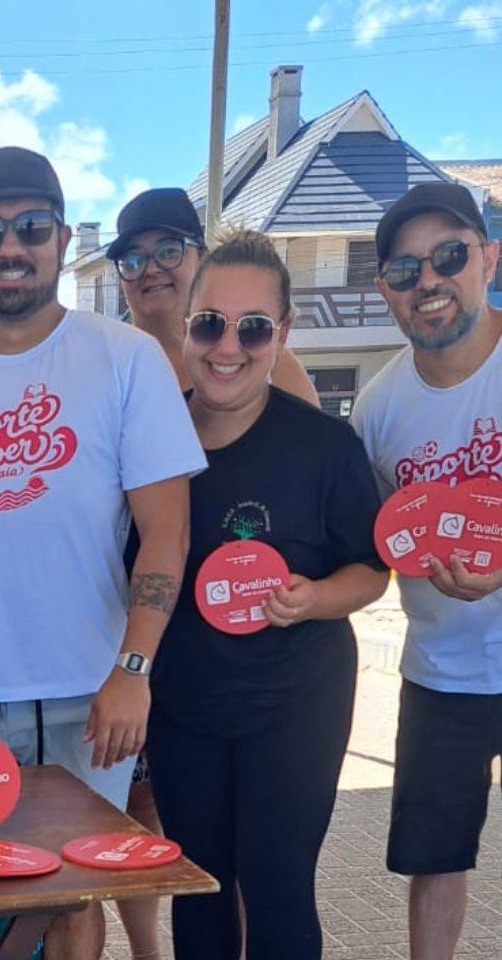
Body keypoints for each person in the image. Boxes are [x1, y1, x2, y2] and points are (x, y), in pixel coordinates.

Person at [0, 147, 205, 960]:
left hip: (87, 690)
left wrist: (132, 673)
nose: (9, 247)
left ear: (61, 239)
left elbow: (166, 530)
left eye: (29, 227)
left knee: (70, 895)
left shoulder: (124, 359)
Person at [143, 230, 389, 960]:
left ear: (281, 334)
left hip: (296, 703)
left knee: (278, 887)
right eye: (210, 323)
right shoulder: (152, 442)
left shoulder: (323, 446)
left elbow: (373, 570)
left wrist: (314, 597)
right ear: (187, 325)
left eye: (253, 328)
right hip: (185, 709)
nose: (229, 347)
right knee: (199, 889)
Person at [106, 186, 322, 959]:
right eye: (134, 255)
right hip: (149, 643)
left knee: (257, 863)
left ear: (196, 261)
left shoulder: (269, 358)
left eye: (170, 249)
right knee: (152, 829)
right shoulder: (114, 361)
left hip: (256, 658)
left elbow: (307, 495)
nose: (152, 268)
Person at [351, 181, 502, 960]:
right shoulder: (377, 410)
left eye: (449, 256)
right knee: (436, 858)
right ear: (386, 290)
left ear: (489, 257)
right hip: (442, 672)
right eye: (405, 270)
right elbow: (373, 549)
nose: (429, 282)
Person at [108, 188, 319, 406]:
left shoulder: (270, 364)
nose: (151, 269)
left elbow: (315, 436)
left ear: (203, 258)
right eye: (132, 260)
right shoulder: (103, 368)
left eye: (169, 252)